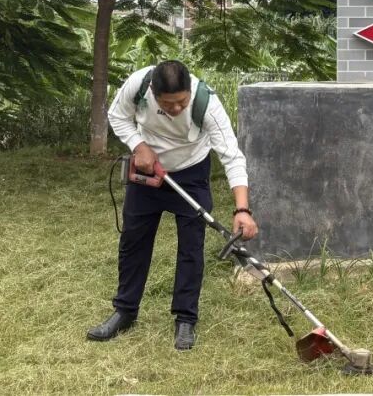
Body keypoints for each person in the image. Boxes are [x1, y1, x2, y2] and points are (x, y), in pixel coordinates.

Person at [86, 60, 258, 351]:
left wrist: (242, 209)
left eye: (182, 102)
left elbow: (232, 156)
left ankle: (185, 319)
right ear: (153, 93)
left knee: (191, 247)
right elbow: (118, 116)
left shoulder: (207, 104)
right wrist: (139, 146)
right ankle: (125, 311)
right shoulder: (138, 86)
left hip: (190, 173)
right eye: (168, 104)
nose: (176, 109)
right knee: (133, 241)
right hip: (147, 173)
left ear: (190, 90)